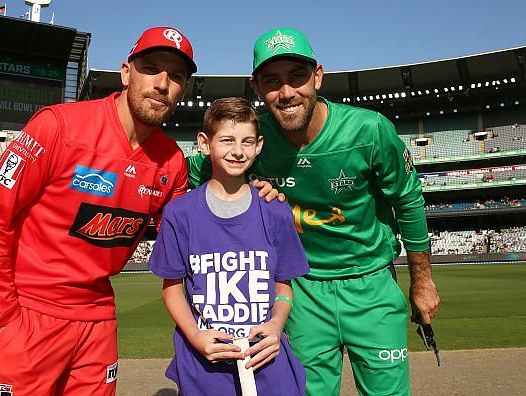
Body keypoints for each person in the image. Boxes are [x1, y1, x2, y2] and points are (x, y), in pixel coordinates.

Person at [187, 27, 441, 395]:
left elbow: (408, 200)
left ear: (318, 76)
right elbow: (188, 172)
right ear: (256, 87)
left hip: (370, 284)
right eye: (272, 81)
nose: (286, 92)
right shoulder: (254, 142)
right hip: (300, 294)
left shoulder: (369, 129)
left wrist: (422, 280)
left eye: (297, 77)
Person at [0, 26, 198, 396]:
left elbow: (191, 236)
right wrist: (0, 315)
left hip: (98, 319)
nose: (162, 83)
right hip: (27, 311)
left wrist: (253, 200)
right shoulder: (57, 126)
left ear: (183, 89)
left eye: (175, 76)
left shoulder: (172, 161)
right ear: (126, 72)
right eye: (151, 68)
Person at [149, 97, 309, 395]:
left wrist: (276, 325)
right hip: (204, 365)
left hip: (267, 362)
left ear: (259, 145)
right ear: (204, 143)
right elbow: (171, 288)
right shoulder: (179, 213)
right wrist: (195, 336)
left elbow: (283, 287)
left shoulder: (275, 211)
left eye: (247, 141)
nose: (238, 151)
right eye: (227, 140)